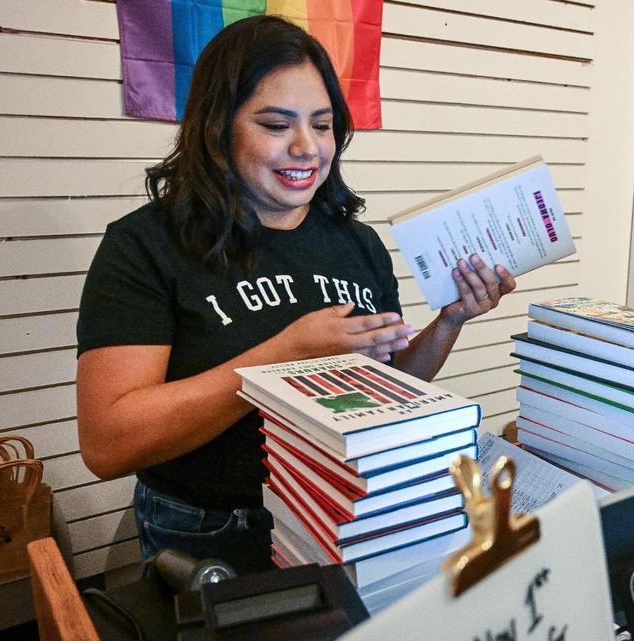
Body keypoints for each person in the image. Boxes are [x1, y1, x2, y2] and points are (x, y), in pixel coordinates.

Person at [75, 15, 515, 574]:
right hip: (210, 530)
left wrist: (450, 321)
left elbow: (393, 383)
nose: (307, 148)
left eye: (323, 124)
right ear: (217, 127)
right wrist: (283, 356)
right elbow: (108, 443)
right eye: (276, 125)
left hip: (341, 509)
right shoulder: (145, 245)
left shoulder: (357, 244)